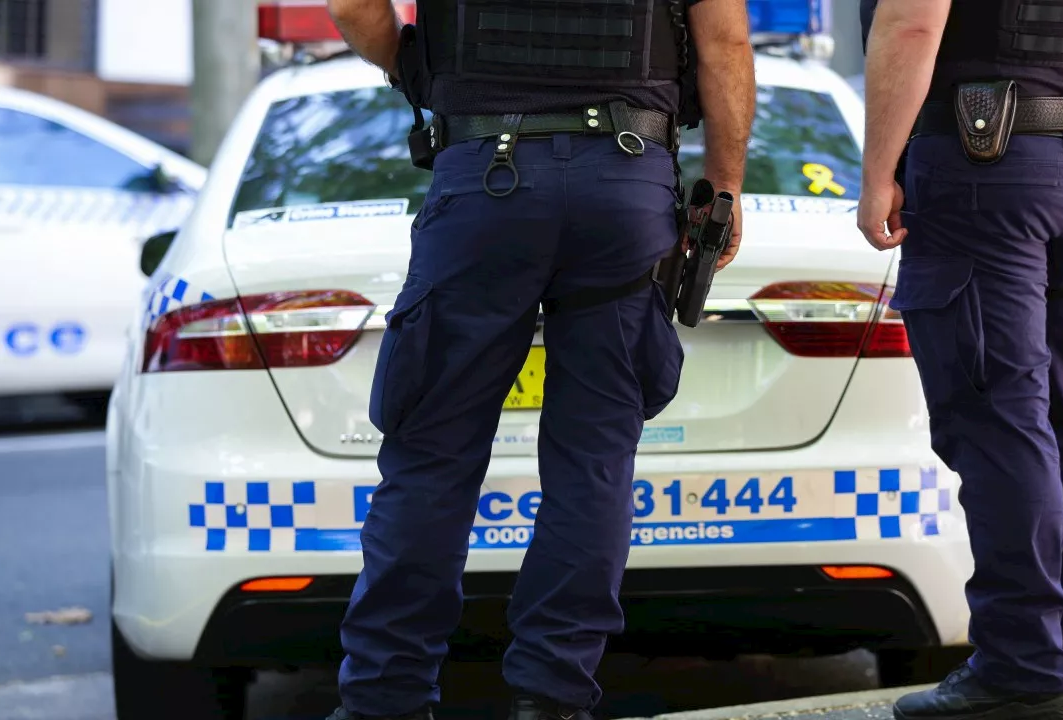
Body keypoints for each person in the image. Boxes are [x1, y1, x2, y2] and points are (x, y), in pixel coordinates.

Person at [322, 1, 755, 719]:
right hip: (625, 182)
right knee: (592, 460)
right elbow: (725, 39)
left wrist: (421, 71)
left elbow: (349, 6)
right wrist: (726, 184)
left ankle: (385, 697)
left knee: (432, 455)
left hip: (484, 182)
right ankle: (553, 696)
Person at [856, 0, 1063, 718]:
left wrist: (878, 168)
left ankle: (1023, 665)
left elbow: (911, 21)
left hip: (985, 159)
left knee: (1002, 416)